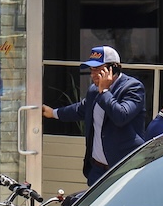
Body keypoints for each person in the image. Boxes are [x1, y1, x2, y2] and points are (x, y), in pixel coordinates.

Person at [42, 46, 146, 182]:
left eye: (97, 69)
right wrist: (53, 113)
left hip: (124, 169)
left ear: (113, 69)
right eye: (91, 70)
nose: (93, 75)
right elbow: (81, 109)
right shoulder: (93, 90)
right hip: (97, 170)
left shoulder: (133, 88)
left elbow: (121, 116)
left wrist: (104, 92)